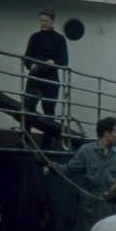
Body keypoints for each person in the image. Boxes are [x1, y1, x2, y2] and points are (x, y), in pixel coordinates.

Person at [23, 8, 69, 138]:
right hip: (34, 76)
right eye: (42, 21)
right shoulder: (34, 37)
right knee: (28, 109)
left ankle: (46, 145)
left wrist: (54, 62)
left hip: (50, 79)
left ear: (52, 21)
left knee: (49, 111)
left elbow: (64, 60)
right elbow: (27, 56)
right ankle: (25, 140)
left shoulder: (59, 39)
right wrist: (29, 64)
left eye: (46, 21)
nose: (43, 23)